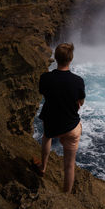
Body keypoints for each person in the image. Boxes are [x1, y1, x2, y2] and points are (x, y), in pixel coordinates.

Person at [34, 43, 85, 193]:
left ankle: (43, 166)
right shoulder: (78, 81)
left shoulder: (45, 78)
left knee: (46, 137)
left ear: (56, 58)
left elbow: (43, 92)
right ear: (71, 59)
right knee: (69, 165)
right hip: (71, 126)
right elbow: (80, 102)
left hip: (52, 123)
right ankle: (66, 195)